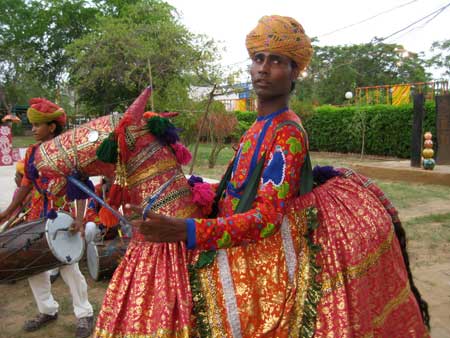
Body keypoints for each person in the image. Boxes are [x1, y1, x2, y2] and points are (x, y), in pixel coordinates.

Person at [129, 16, 429, 337]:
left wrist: (185, 229)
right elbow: (237, 190)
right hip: (233, 237)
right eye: (258, 59)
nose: (263, 68)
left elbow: (267, 218)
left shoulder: (287, 133)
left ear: (294, 72)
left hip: (268, 256)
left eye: (276, 61)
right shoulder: (257, 127)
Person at [0, 98, 94, 338]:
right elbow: (26, 184)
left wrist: (80, 219)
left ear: (52, 127)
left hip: (62, 218)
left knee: (69, 269)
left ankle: (84, 315)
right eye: (32, 125)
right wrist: (9, 210)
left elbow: (81, 187)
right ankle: (48, 311)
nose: (33, 130)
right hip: (35, 217)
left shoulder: (67, 152)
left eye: (37, 125)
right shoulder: (32, 152)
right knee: (34, 269)